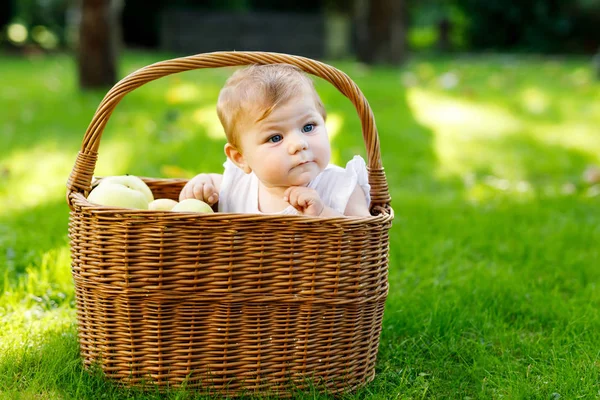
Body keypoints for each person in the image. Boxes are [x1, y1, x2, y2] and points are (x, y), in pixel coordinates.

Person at [179, 64, 371, 217]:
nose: (298, 144)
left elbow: (367, 238)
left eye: (308, 127)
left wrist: (323, 214)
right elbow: (211, 182)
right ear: (240, 158)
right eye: (275, 137)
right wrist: (199, 185)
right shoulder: (237, 186)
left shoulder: (341, 188)